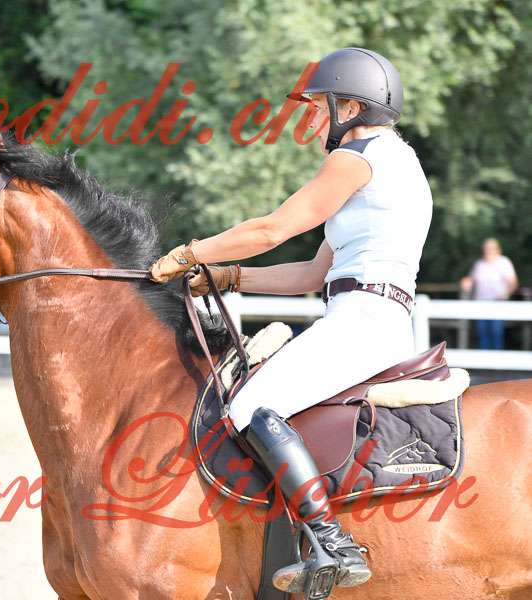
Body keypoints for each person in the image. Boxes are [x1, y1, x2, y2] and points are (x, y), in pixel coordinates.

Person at [149, 48, 432, 595]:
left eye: (319, 107)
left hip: (364, 319)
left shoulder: (355, 158)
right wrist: (231, 277)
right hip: (374, 312)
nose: (311, 119)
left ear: (351, 107)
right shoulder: (394, 162)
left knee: (249, 405)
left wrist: (190, 253)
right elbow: (310, 273)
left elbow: (272, 229)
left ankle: (332, 541)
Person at [460, 238, 518, 350]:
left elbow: (513, 283)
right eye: (486, 249)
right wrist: (465, 282)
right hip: (480, 302)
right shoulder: (480, 264)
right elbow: (471, 280)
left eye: (491, 248)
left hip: (497, 303)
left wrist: (505, 296)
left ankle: (497, 360)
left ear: (498, 250)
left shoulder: (504, 262)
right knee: (482, 333)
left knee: (496, 333)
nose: (488, 251)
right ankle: (484, 359)